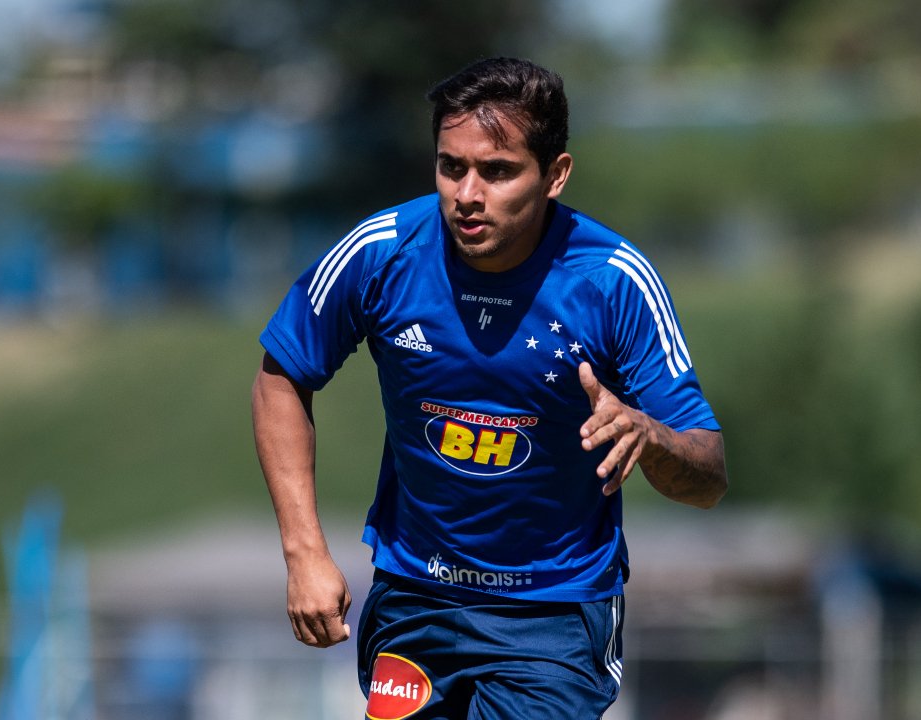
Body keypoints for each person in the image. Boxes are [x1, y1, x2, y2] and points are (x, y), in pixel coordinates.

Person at [252, 57, 726, 719]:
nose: (467, 194)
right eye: (452, 167)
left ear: (555, 175)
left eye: (498, 171)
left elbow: (706, 478)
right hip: (414, 597)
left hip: (554, 618)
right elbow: (281, 378)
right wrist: (304, 554)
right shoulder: (382, 251)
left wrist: (652, 438)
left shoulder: (615, 280)